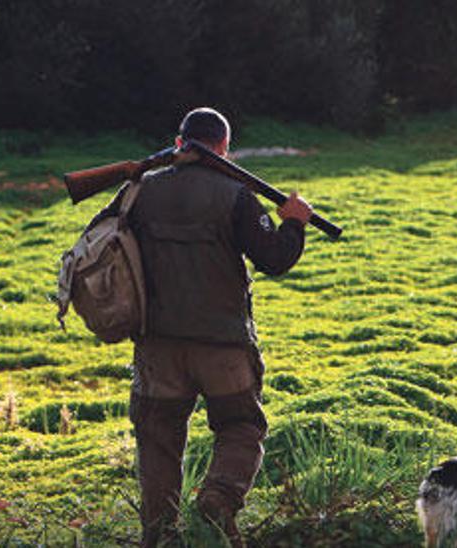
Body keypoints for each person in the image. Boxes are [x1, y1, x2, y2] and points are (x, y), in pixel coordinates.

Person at [87, 107, 312, 546]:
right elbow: (275, 259)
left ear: (179, 143)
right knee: (242, 427)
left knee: (158, 439)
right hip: (223, 345)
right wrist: (293, 223)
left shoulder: (140, 191)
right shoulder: (235, 196)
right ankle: (219, 499)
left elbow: (100, 238)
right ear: (225, 148)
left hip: (158, 345)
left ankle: (159, 534)